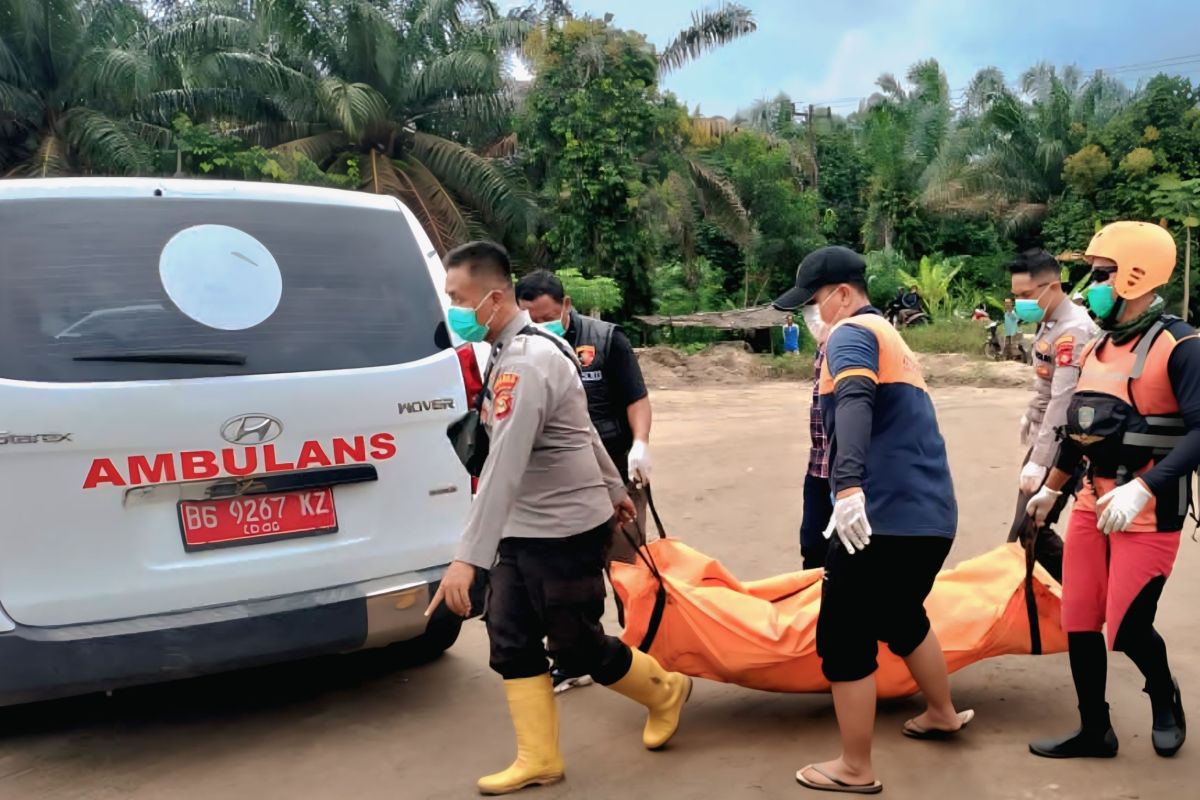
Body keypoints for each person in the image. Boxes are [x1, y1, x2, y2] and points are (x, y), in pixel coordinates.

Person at [430, 242, 692, 795]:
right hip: (521, 527)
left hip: (563, 527)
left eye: (458, 298)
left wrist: (465, 560)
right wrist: (614, 485)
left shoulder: (527, 361)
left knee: (574, 645)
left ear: (493, 298)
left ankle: (666, 689)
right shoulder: (514, 350)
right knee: (510, 636)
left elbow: (502, 465)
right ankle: (539, 758)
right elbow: (582, 428)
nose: (451, 309)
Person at [773, 246, 972, 795]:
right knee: (901, 615)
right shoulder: (894, 339)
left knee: (844, 635)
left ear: (841, 293)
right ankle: (942, 712)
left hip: (879, 520)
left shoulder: (852, 334)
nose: (810, 316)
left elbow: (855, 400)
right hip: (928, 516)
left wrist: (851, 487)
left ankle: (855, 767)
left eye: (813, 303)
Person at [1026, 221, 1196, 760]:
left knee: (1127, 625)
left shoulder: (1181, 344)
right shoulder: (1099, 345)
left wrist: (1144, 488)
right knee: (1079, 616)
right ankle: (1094, 729)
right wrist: (1052, 489)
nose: (1088, 285)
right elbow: (1078, 431)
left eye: (1101, 274)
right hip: (1089, 501)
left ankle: (1164, 696)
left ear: (1134, 275)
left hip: (1146, 510)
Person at [515, 270, 653, 693]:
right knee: (568, 576)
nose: (540, 326)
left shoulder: (607, 340)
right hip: (559, 483)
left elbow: (636, 399)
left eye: (548, 316)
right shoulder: (519, 350)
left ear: (567, 305)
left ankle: (642, 650)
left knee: (626, 564)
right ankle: (575, 659)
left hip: (615, 467)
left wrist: (640, 446)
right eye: (531, 319)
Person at [1007, 249, 1098, 583]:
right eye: (1016, 296)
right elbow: (1044, 388)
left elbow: (1063, 402)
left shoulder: (1074, 331)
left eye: (1026, 296)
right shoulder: (1048, 324)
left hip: (1066, 443)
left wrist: (1040, 460)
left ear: (1053, 287)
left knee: (1031, 530)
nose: (1020, 303)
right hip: (1049, 435)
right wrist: (1029, 416)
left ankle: (1082, 593)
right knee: (1028, 531)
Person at [799, 304, 832, 570]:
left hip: (848, 472)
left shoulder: (856, 340)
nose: (810, 316)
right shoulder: (823, 345)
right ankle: (813, 610)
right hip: (819, 466)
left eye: (814, 305)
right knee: (812, 547)